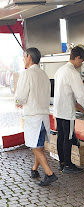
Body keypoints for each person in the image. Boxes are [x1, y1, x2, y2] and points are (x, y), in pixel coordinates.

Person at [15, 47, 58, 186]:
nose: (23, 59)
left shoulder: (27, 74)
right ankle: (34, 169)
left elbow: (21, 96)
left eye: (24, 56)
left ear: (29, 57)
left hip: (33, 116)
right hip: (44, 115)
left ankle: (49, 173)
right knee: (38, 145)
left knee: (34, 146)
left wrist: (19, 102)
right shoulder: (43, 74)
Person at [54, 46, 84, 173]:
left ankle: (62, 163)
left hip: (58, 110)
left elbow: (67, 93)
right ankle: (68, 166)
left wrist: (81, 108)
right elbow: (81, 95)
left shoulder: (60, 70)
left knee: (61, 136)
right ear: (77, 57)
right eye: (81, 61)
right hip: (67, 111)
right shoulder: (73, 73)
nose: (80, 64)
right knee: (68, 138)